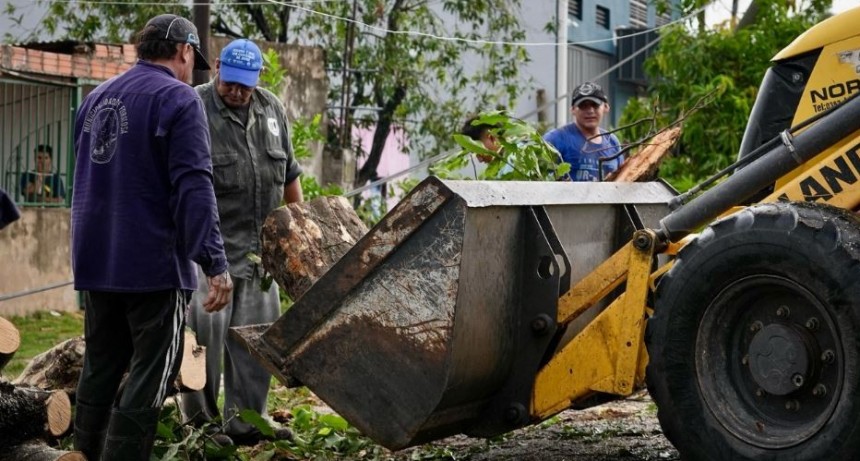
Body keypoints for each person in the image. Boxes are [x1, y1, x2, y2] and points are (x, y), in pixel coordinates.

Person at [71, 14, 233, 461]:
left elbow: (85, 179)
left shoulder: (94, 98)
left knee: (100, 366)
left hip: (96, 259)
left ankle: (81, 453)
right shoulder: (179, 99)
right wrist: (215, 263)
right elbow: (194, 185)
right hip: (153, 266)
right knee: (151, 375)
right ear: (183, 52)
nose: (189, 69)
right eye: (191, 60)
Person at [179, 38, 303, 446]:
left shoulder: (272, 109)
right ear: (215, 67)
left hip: (258, 258)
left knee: (257, 347)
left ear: (259, 78)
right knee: (201, 350)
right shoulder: (193, 107)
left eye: (244, 85)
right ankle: (199, 428)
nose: (235, 91)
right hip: (208, 257)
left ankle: (247, 422)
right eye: (229, 82)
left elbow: (289, 177)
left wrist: (296, 234)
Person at [543, 82, 623, 181]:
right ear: (572, 110)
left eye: (595, 105)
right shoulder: (556, 139)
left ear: (606, 107)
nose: (590, 110)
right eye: (583, 106)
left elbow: (622, 179)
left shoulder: (612, 142)